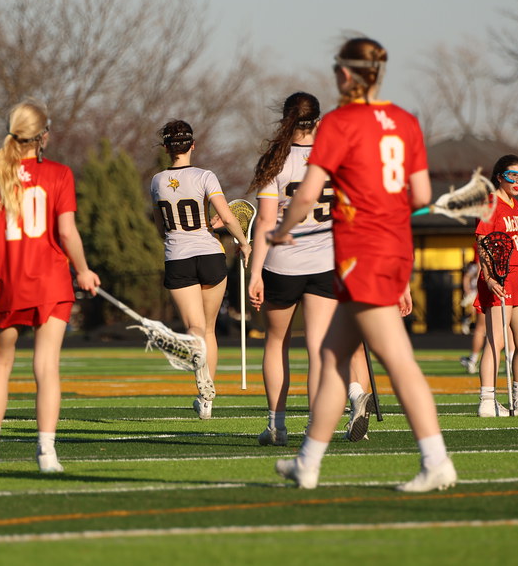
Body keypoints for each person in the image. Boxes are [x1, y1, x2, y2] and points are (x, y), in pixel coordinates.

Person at [272, 37, 456, 493]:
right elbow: (420, 196)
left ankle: (436, 460)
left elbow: (309, 192)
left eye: (338, 69)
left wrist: (281, 230)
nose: (334, 76)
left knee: (397, 360)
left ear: (350, 74)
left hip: (362, 254)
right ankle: (307, 463)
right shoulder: (405, 121)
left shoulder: (340, 122)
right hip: (392, 248)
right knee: (334, 356)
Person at [0, 98, 100, 473]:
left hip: (8, 282)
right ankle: (46, 453)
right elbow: (67, 232)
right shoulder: (59, 173)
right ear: (42, 136)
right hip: (51, 282)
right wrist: (84, 270)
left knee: (0, 363)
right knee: (47, 366)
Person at [247, 92, 338, 446]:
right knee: (317, 347)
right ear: (318, 120)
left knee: (276, 342)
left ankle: (276, 426)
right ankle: (316, 429)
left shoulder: (276, 159)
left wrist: (255, 273)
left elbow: (266, 221)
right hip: (325, 263)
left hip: (282, 264)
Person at [151, 120, 252, 420]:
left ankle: (198, 373)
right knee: (209, 329)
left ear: (167, 148)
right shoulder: (205, 176)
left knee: (194, 329)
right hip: (210, 254)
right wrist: (243, 243)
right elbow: (227, 217)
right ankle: (206, 399)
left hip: (178, 257)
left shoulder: (156, 181)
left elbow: (161, 228)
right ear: (192, 145)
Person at [474, 154, 518, 417]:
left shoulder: (515, 204)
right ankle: (487, 400)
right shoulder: (491, 202)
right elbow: (482, 241)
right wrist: (489, 278)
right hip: (500, 278)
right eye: (513, 176)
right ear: (500, 177)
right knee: (495, 341)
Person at [458, 258, 485, 374]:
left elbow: (467, 277)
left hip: (485, 295)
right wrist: (469, 292)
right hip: (486, 295)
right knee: (485, 329)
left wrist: (469, 292)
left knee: (483, 329)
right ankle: (473, 360)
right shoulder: (479, 263)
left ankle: (473, 360)